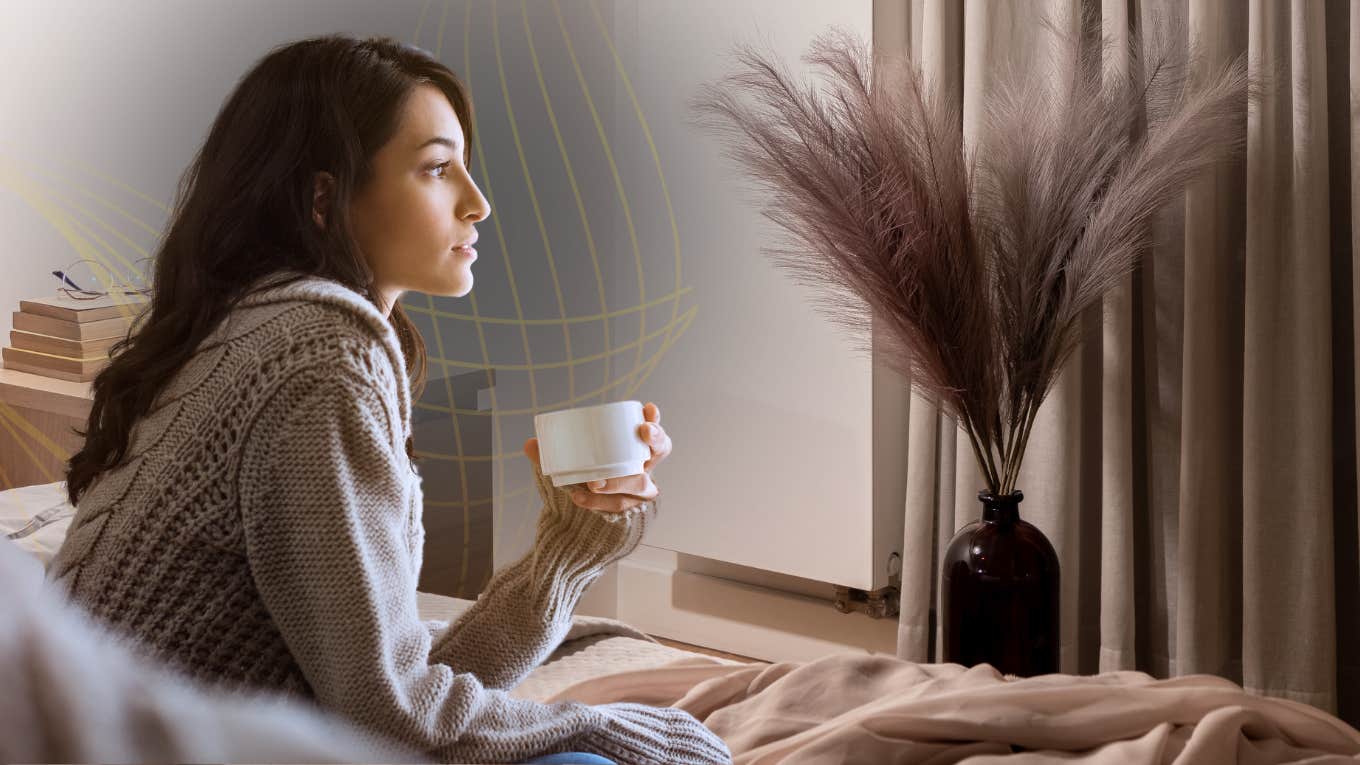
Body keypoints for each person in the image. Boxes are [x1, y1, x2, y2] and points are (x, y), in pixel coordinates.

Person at [47, 34, 730, 765]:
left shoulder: (263, 323)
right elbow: (392, 718)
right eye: (438, 168)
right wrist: (607, 727)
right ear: (324, 197)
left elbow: (386, 688)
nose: (479, 202)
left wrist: (568, 547)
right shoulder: (318, 356)